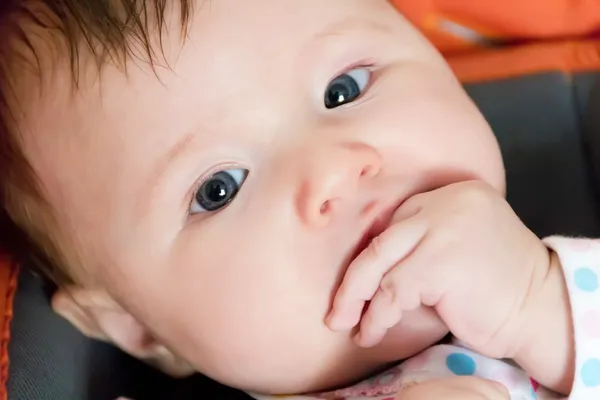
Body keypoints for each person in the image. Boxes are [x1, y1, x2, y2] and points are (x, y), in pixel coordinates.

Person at [0, 0, 598, 398]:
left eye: (344, 89)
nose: (334, 171)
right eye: (219, 189)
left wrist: (538, 304)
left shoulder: (566, 283)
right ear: (136, 327)